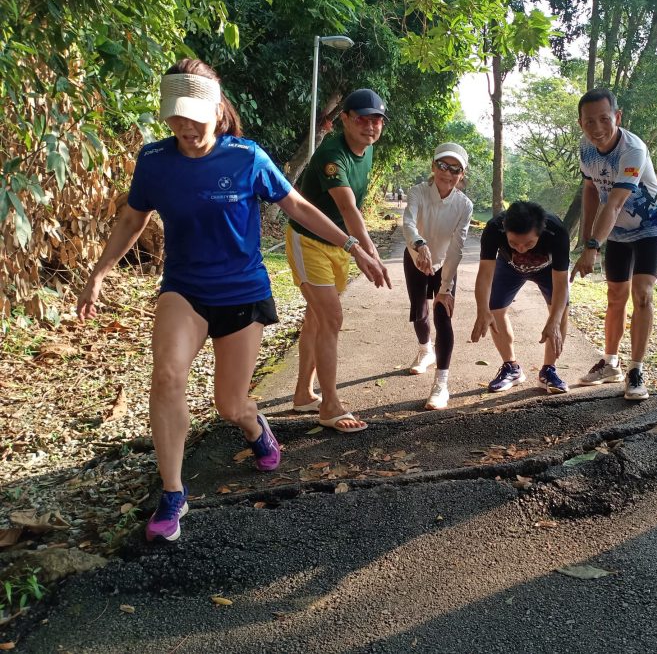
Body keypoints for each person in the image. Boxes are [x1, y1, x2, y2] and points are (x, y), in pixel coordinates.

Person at [76, 59, 388, 542]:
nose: (185, 128)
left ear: (217, 110)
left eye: (194, 117)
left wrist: (354, 247)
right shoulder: (155, 162)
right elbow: (132, 219)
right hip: (185, 289)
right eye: (175, 117)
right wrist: (100, 270)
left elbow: (300, 207)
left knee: (230, 404)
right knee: (167, 376)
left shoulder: (247, 157)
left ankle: (255, 427)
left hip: (243, 293)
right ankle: (173, 493)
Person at [286, 88, 392, 432]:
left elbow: (355, 208)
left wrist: (369, 250)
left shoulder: (368, 149)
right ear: (344, 119)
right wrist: (363, 252)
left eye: (377, 119)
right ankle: (330, 405)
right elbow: (346, 209)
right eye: (362, 118)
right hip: (310, 240)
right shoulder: (333, 155)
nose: (370, 126)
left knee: (316, 319)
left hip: (337, 244)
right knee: (331, 317)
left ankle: (303, 393)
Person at [570, 88, 657, 401]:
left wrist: (592, 247)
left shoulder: (633, 150)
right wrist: (586, 237)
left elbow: (614, 202)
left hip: (650, 226)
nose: (597, 127)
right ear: (580, 123)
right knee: (615, 295)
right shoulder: (586, 148)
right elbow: (590, 191)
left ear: (618, 116)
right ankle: (610, 364)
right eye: (589, 121)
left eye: (604, 119)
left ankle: (636, 369)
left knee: (642, 294)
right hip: (615, 232)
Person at [471, 201, 571, 394]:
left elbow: (561, 283)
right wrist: (482, 309)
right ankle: (511, 368)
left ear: (540, 233)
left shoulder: (556, 231)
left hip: (548, 270)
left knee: (560, 313)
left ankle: (549, 371)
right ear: (505, 231)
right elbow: (485, 274)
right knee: (494, 310)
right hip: (509, 267)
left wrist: (554, 320)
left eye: (529, 243)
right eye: (513, 243)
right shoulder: (494, 228)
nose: (522, 249)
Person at [402, 143, 474, 409]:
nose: (448, 172)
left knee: (443, 315)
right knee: (420, 312)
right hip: (416, 257)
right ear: (433, 167)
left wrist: (445, 287)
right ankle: (425, 350)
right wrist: (420, 246)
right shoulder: (418, 192)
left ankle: (441, 384)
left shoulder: (464, 205)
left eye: (455, 169)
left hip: (444, 263)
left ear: (462, 175)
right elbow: (408, 222)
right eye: (443, 165)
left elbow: (457, 246)